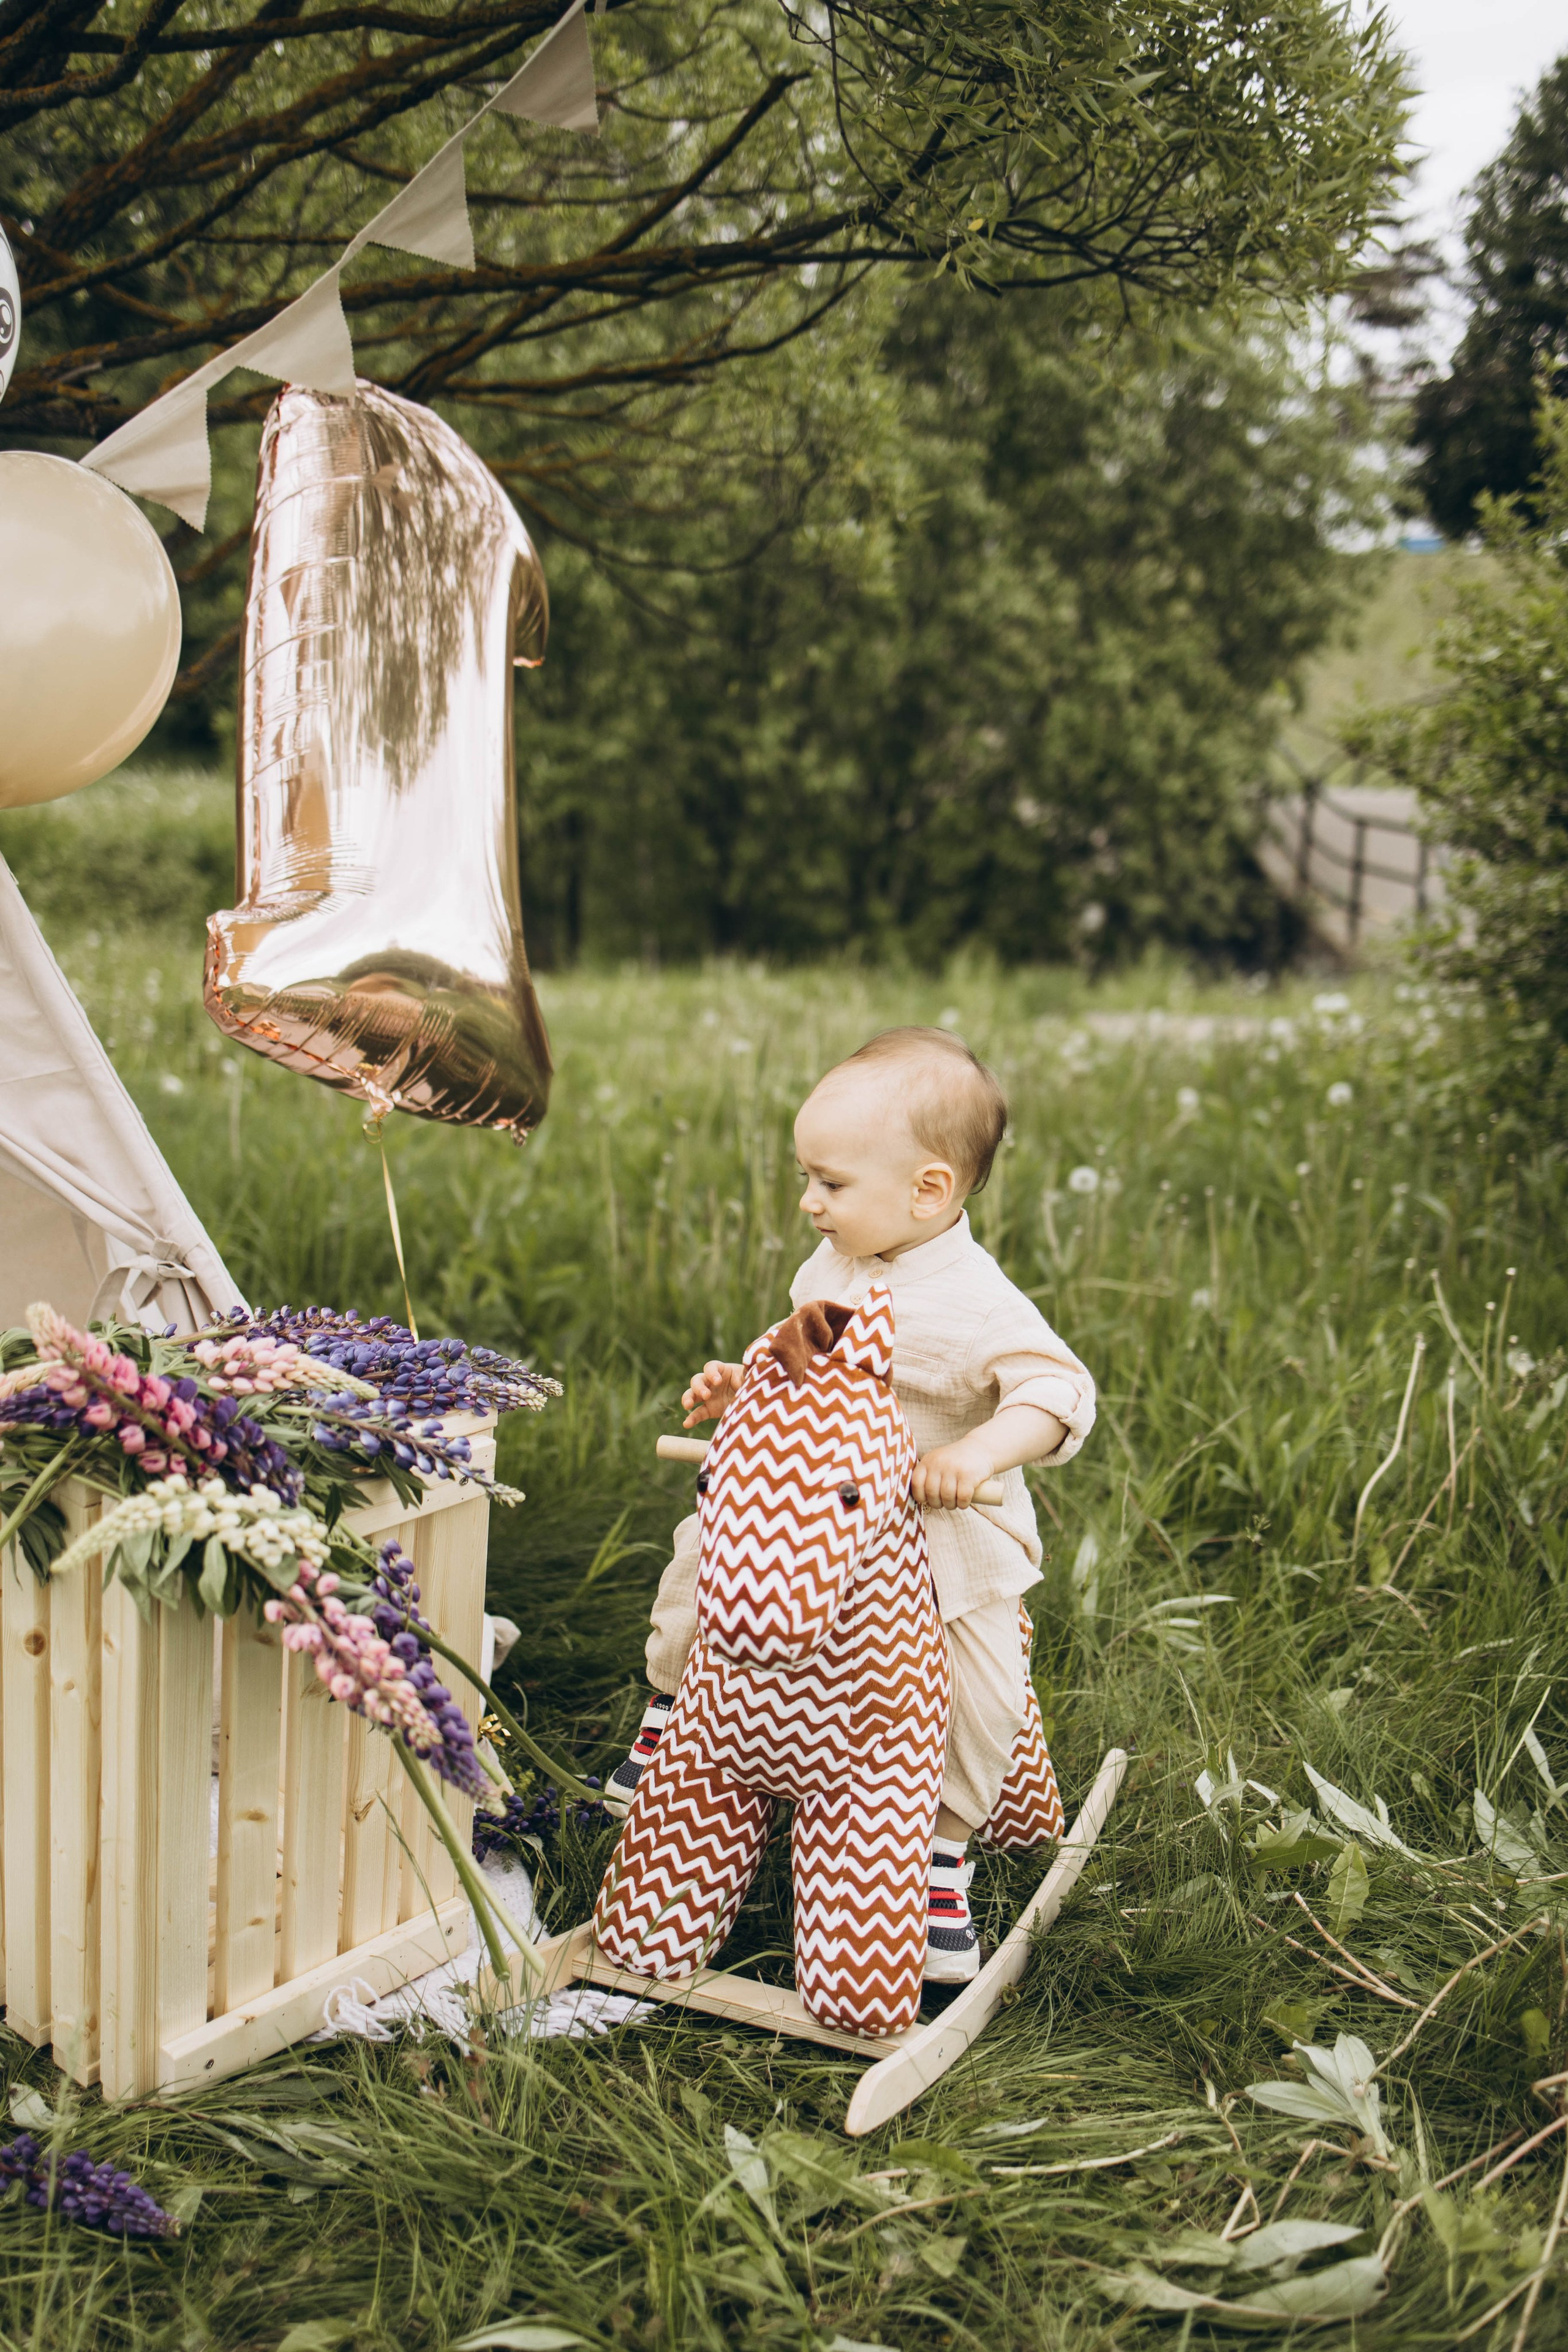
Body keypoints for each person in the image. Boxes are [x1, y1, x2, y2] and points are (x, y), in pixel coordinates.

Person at [606, 1025, 1095, 1982]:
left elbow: (1057, 1390)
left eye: (830, 1183)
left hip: (938, 1535)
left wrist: (977, 1451)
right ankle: (676, 1716)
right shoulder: (831, 1268)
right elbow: (797, 1352)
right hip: (810, 1515)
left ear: (928, 1191)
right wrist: (742, 1381)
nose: (808, 1202)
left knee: (979, 1688)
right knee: (700, 1556)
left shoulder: (977, 1304)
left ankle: (938, 1853)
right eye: (808, 1177)